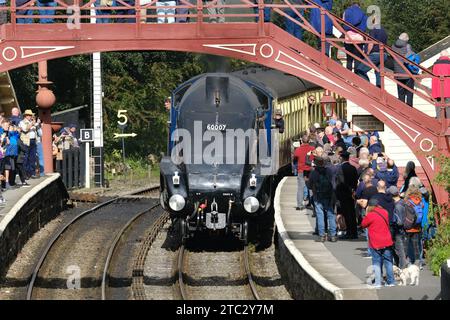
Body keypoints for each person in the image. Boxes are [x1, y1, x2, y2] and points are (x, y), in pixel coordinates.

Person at [361, 198, 396, 287]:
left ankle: (378, 283)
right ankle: (391, 282)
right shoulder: (385, 212)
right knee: (388, 261)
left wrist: (366, 214)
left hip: (375, 242)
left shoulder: (370, 215)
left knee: (376, 262)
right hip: (387, 241)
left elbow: (363, 224)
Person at [307, 156, 337, 242]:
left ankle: (322, 235)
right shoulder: (329, 171)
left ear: (315, 163)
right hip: (329, 195)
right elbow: (333, 184)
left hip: (318, 196)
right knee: (331, 214)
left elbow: (309, 185)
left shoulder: (313, 172)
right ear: (323, 163)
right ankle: (333, 235)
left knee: (320, 215)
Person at [355, 21, 388, 88]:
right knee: (379, 72)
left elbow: (371, 43)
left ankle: (369, 87)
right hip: (383, 54)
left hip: (375, 54)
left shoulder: (373, 30)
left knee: (360, 70)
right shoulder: (384, 31)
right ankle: (379, 89)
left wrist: (367, 53)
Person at [335, 150, 359, 239]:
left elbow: (340, 182)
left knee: (346, 214)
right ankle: (354, 232)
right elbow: (356, 180)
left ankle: (349, 232)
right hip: (351, 193)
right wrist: (353, 190)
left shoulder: (340, 168)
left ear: (342, 158)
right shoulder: (353, 168)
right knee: (352, 213)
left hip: (343, 194)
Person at [392, 33, 416, 107]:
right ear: (406, 39)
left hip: (397, 72)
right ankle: (409, 110)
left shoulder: (393, 46)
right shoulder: (408, 46)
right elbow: (409, 57)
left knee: (401, 93)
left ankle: (402, 109)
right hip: (407, 72)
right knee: (409, 92)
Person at [343, 1, 367, 71]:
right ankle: (356, 76)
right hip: (359, 38)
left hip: (348, 37)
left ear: (351, 5)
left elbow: (343, 22)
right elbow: (364, 26)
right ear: (359, 6)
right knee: (357, 59)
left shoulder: (346, 12)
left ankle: (348, 77)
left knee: (349, 59)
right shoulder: (362, 13)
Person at [293, 134, 315, 211]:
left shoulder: (298, 150)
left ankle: (299, 205)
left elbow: (294, 160)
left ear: (301, 141)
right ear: (309, 141)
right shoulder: (312, 149)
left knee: (300, 188)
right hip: (310, 171)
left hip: (301, 171)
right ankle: (312, 204)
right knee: (311, 188)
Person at [19, 109, 38, 179]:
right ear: (26, 116)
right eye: (30, 115)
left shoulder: (31, 122)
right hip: (26, 141)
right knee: (26, 158)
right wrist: (32, 124)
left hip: (33, 140)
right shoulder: (22, 122)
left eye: (31, 115)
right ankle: (26, 174)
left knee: (32, 157)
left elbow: (37, 130)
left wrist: (35, 123)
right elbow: (25, 129)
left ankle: (32, 173)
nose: (31, 116)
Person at [431, 50, 450, 119]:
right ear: (447, 56)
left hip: (437, 88)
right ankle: (449, 122)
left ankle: (439, 121)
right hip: (448, 88)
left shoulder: (435, 64)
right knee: (448, 106)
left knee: (438, 105)